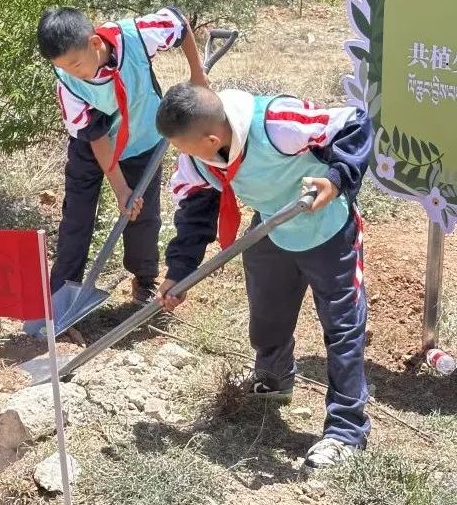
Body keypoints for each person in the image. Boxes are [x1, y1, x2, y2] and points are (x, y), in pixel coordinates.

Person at [155, 83, 373, 470]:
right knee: (268, 314)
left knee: (342, 328)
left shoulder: (276, 124)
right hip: (273, 228)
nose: (182, 157)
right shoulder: (198, 158)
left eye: (185, 148)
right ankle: (274, 379)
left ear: (212, 139)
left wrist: (336, 179)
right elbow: (195, 209)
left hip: (329, 230)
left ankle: (346, 430)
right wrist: (179, 272)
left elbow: (353, 123)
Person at [24, 6, 205, 336]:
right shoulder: (68, 84)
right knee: (77, 219)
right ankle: (61, 295)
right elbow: (96, 137)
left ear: (95, 43)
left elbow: (179, 21)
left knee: (143, 215)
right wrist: (120, 189)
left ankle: (144, 280)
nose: (72, 73)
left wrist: (198, 76)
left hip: (142, 139)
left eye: (75, 64)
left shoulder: (137, 36)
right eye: (62, 67)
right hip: (92, 147)